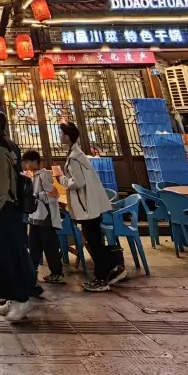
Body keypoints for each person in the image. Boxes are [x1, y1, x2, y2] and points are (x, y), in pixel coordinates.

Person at [0, 117, 37, 322]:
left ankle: (22, 299)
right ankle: (12, 297)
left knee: (5, 255)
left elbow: (2, 188)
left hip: (5, 211)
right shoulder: (0, 151)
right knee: (4, 254)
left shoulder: (0, 154)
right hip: (6, 210)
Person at [59, 122, 125, 291]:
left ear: (67, 137)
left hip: (86, 206)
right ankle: (112, 268)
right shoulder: (77, 154)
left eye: (61, 133)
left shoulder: (75, 158)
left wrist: (62, 179)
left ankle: (102, 278)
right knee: (93, 239)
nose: (59, 136)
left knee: (93, 241)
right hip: (90, 204)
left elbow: (78, 182)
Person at [22, 150, 63, 284]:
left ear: (35, 161)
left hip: (45, 217)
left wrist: (36, 196)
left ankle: (57, 273)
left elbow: (54, 194)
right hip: (35, 217)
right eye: (25, 163)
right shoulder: (33, 176)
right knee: (34, 245)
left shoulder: (43, 176)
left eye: (28, 162)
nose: (26, 166)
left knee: (49, 246)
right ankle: (31, 270)